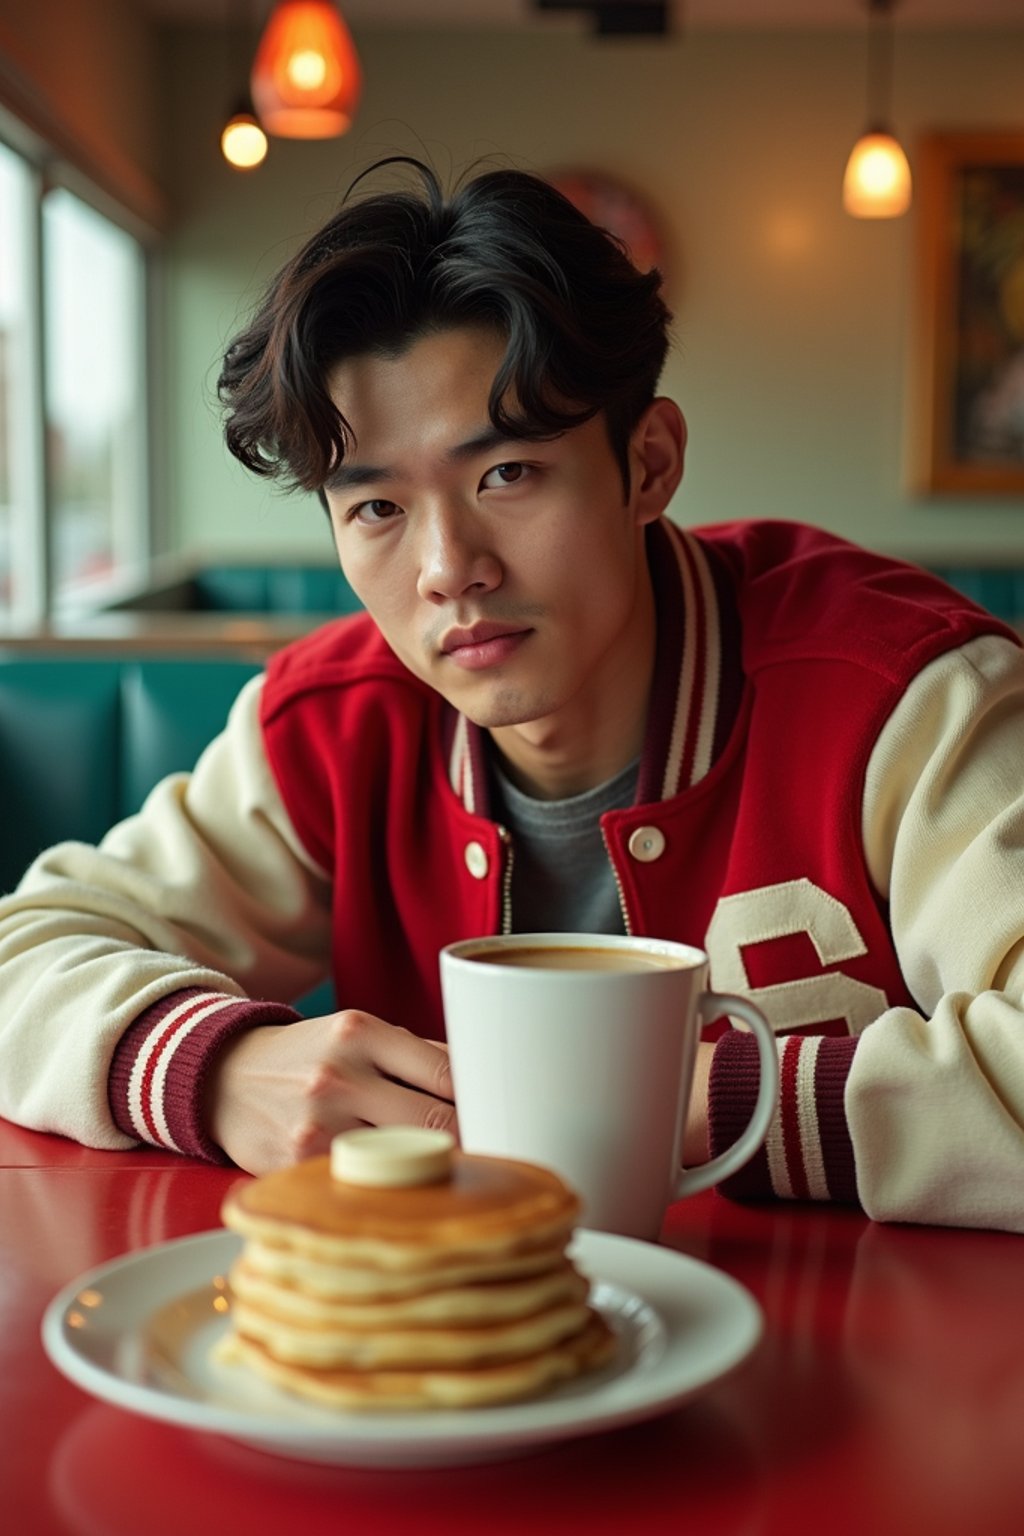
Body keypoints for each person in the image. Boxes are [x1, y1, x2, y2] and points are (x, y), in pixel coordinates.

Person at [2, 156, 1023, 1233]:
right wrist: (218, 1069)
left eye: (506, 475)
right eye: (377, 507)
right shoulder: (334, 722)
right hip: (455, 1373)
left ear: (649, 463)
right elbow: (27, 953)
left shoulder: (903, 693)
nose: (449, 568)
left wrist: (714, 1105)